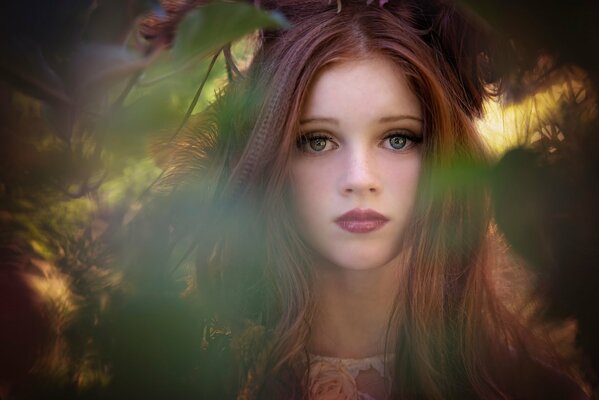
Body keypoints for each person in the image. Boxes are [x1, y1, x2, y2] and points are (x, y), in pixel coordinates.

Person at [158, 0, 588, 398]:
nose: (359, 179)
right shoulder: (178, 383)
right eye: (318, 141)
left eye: (398, 139)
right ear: (270, 156)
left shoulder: (534, 391)